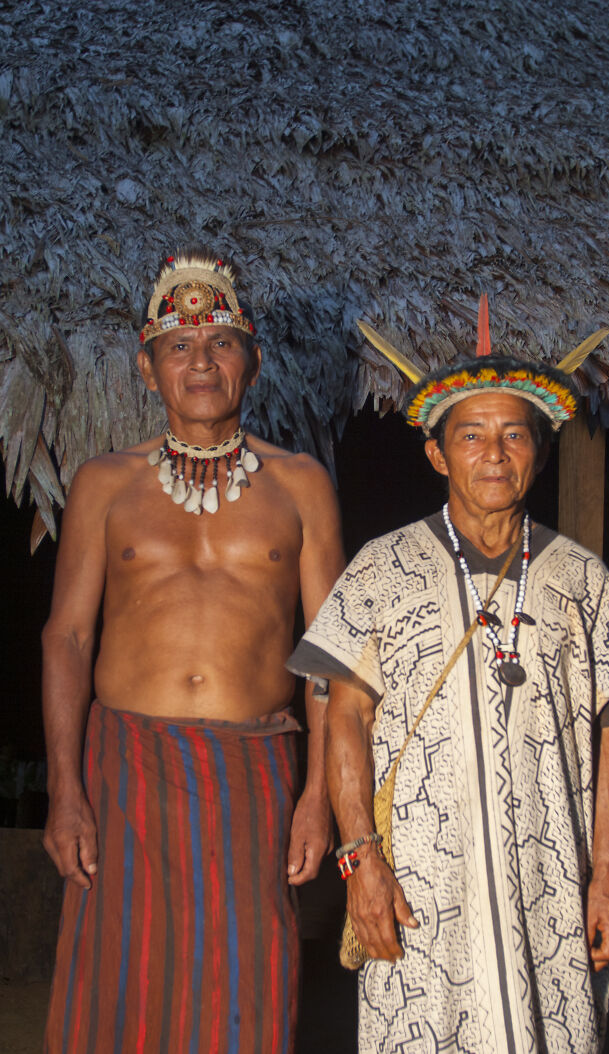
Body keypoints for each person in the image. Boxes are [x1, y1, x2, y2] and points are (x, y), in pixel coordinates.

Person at [287, 303, 609, 1053]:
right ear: (438, 455)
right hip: (420, 893)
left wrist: (607, 874)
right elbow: (343, 717)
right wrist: (360, 862)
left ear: (538, 452)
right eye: (471, 435)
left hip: (550, 895)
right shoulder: (382, 569)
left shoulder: (582, 581)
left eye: (513, 435)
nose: (493, 453)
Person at [42, 250, 345, 1053]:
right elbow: (68, 638)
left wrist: (319, 795)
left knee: (247, 981)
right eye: (179, 346)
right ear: (149, 370)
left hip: (252, 777)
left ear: (251, 359)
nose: (201, 361)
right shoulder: (104, 484)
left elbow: (332, 654)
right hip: (125, 772)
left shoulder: (301, 483)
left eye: (220, 342)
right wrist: (65, 788)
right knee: (123, 985)